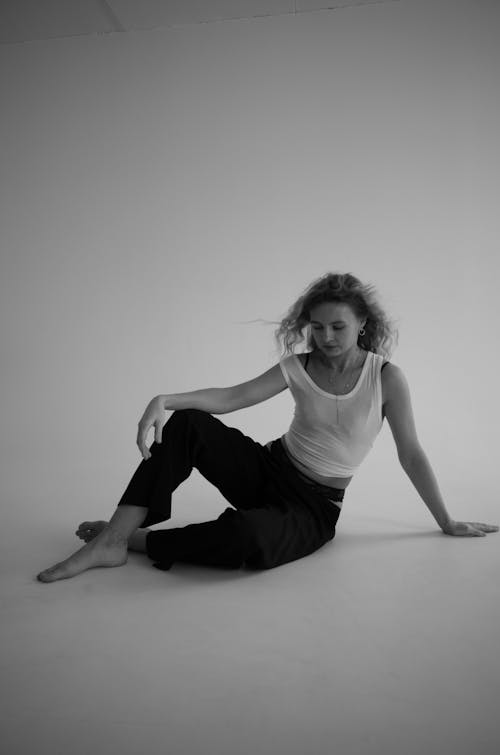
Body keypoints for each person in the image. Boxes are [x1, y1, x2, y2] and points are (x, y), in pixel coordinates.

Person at [36, 272, 498, 583]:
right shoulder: (298, 365)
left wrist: (446, 521)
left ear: (363, 325)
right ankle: (112, 538)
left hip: (315, 508)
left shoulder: (386, 377)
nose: (326, 338)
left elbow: (411, 453)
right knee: (190, 423)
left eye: (338, 327)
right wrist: (165, 398)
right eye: (317, 328)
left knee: (249, 540)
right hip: (269, 469)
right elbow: (233, 398)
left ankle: (135, 538)